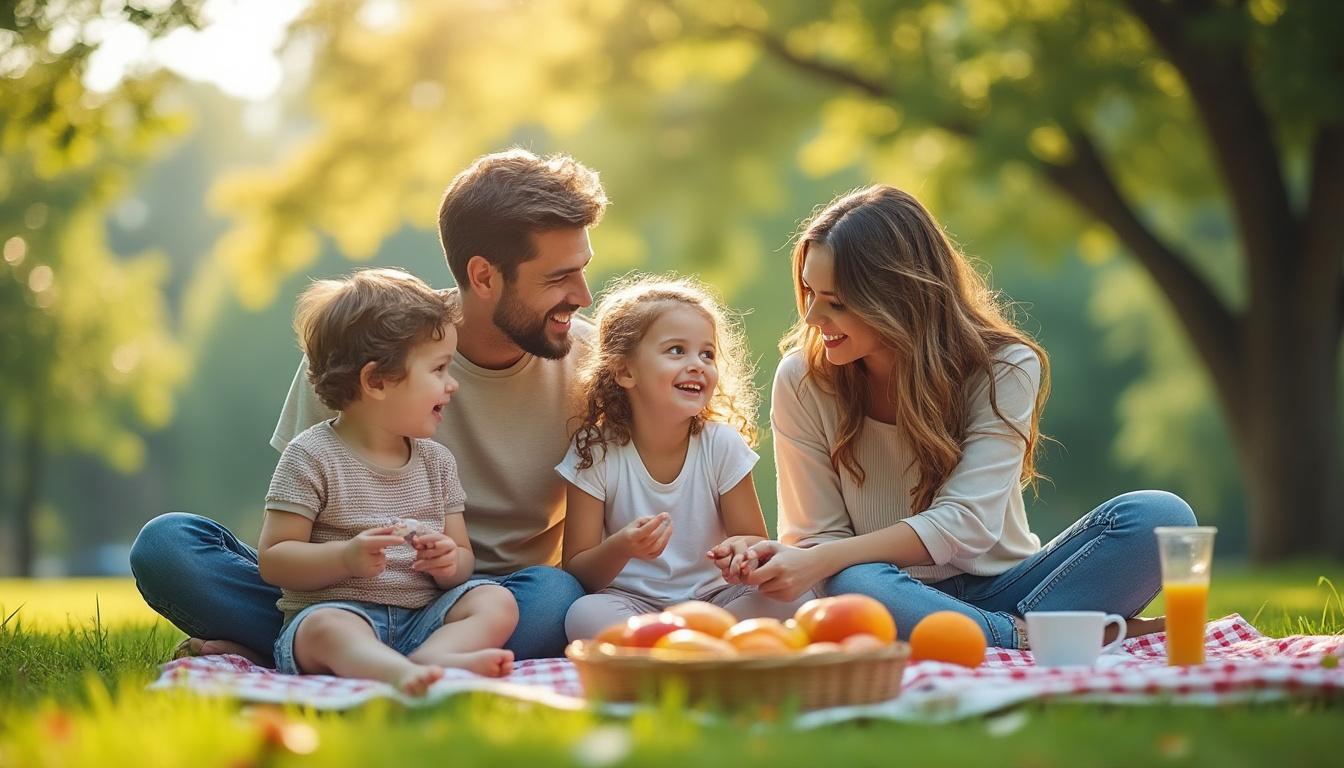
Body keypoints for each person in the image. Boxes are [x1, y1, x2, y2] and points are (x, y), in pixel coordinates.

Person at [130, 149, 607, 664]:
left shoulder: (595, 367)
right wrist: (350, 567)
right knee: (167, 547)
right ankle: (348, 644)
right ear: (485, 276)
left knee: (557, 597)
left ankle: (323, 654)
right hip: (345, 591)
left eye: (583, 269)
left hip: (494, 602)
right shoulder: (372, 347)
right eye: (559, 278)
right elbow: (296, 526)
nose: (583, 294)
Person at [733, 185, 1195, 649]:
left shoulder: (1004, 365)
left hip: (1012, 585)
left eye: (836, 302)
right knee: (850, 582)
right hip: (885, 589)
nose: (813, 316)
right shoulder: (803, 379)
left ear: (899, 296)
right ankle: (1024, 636)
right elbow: (818, 542)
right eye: (810, 292)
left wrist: (823, 560)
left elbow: (967, 525)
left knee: (1163, 516)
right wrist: (819, 561)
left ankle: (977, 631)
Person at [260, 268, 517, 692]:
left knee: (496, 599)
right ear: (376, 381)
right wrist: (345, 558)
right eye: (438, 369)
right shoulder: (309, 455)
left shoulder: (437, 462)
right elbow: (273, 559)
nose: (452, 385)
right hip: (341, 613)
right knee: (325, 627)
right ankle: (395, 673)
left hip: (423, 619)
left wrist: (448, 561)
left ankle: (432, 656)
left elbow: (464, 559)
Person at [559, 275, 806, 641]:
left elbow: (753, 540)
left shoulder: (721, 445)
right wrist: (623, 546)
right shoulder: (595, 450)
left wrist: (741, 553)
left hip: (717, 601)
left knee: (797, 597)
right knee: (583, 614)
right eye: (677, 350)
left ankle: (670, 647)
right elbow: (578, 570)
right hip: (631, 602)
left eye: (707, 353)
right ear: (625, 371)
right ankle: (698, 645)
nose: (697, 365)